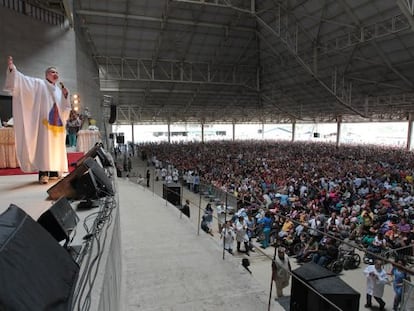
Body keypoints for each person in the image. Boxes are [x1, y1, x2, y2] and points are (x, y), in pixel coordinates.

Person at [4, 56, 71, 184]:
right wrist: (13, 70)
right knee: (44, 147)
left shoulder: (58, 90)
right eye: (52, 72)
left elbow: (64, 108)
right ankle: (43, 173)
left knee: (55, 147)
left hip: (56, 126)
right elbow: (23, 81)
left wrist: (65, 96)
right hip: (44, 125)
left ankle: (53, 171)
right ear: (46, 75)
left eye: (57, 72)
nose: (55, 74)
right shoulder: (39, 84)